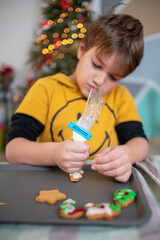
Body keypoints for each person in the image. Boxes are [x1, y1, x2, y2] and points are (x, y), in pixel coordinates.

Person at [5, 13, 149, 182]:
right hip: (50, 184)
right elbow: (13, 149)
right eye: (96, 65)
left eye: (114, 77)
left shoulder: (120, 97)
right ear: (82, 50)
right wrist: (54, 153)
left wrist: (127, 154)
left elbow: (140, 142)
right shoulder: (46, 88)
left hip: (102, 189)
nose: (100, 80)